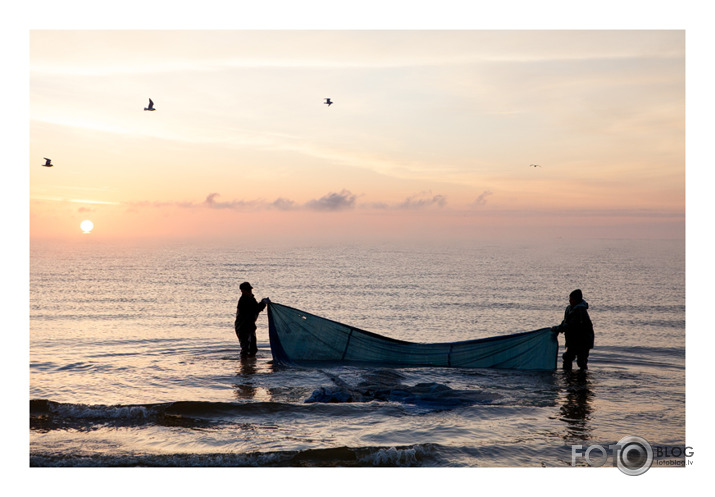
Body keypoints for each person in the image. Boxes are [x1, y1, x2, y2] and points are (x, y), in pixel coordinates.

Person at [552, 289, 594, 371]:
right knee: (568, 358)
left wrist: (558, 329)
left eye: (572, 299)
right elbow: (566, 322)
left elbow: (570, 325)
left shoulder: (580, 311)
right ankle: (569, 378)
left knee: (581, 361)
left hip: (583, 340)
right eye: (569, 299)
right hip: (573, 340)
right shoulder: (569, 308)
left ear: (577, 300)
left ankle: (582, 379)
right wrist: (558, 328)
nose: (570, 301)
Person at [235, 282, 268, 357]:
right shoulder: (243, 301)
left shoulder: (251, 298)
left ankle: (250, 365)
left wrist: (263, 303)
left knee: (253, 349)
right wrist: (263, 303)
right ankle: (244, 365)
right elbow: (255, 309)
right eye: (247, 290)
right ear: (242, 291)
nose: (249, 291)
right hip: (242, 327)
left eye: (250, 289)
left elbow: (256, 308)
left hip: (250, 326)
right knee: (246, 348)